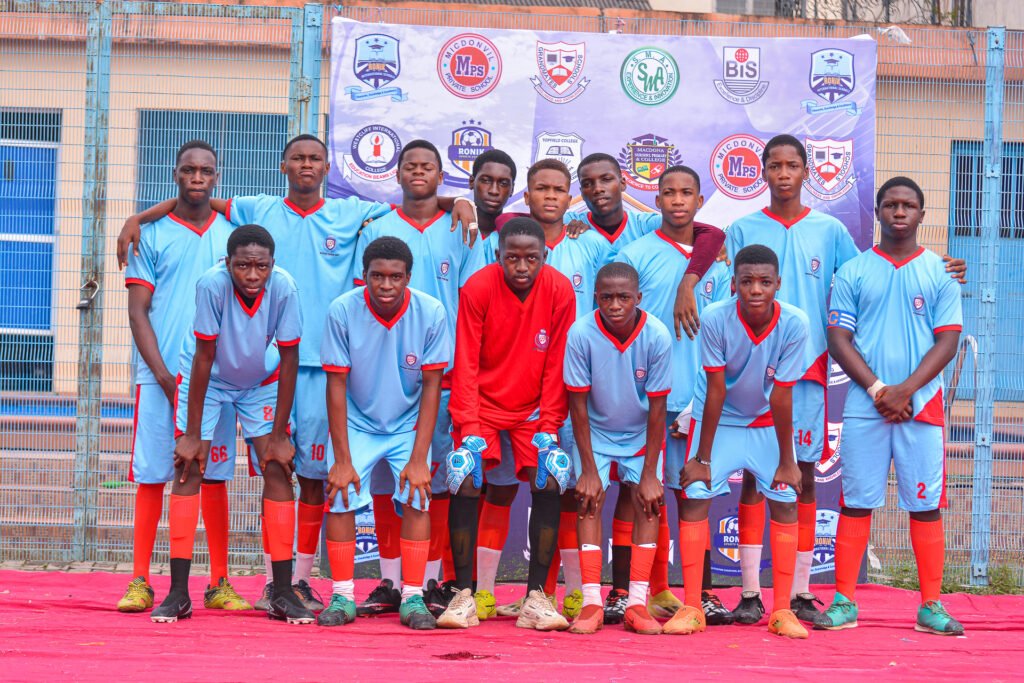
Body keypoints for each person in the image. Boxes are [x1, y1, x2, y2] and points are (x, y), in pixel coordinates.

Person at [116, 134, 477, 610]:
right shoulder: (257, 209)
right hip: (272, 370)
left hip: (330, 368)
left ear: (327, 167)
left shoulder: (351, 212)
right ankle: (282, 582)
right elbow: (195, 198)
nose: (307, 165)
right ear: (283, 164)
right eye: (298, 158)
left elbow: (415, 199)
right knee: (285, 469)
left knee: (315, 475)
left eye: (315, 159)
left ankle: (357, 584)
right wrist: (138, 218)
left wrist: (459, 200)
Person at [724, 134, 966, 625]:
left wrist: (943, 265)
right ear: (764, 171)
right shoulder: (743, 229)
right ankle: (752, 593)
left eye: (793, 165)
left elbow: (880, 297)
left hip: (811, 374)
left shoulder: (833, 232)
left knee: (805, 476)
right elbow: (727, 286)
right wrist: (879, 389)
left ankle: (803, 592)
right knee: (755, 476)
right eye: (776, 165)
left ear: (805, 171)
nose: (784, 173)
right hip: (757, 371)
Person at [817, 177, 964, 635]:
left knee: (925, 505)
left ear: (922, 214)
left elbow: (948, 341)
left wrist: (906, 391)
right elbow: (838, 339)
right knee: (856, 503)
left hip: (922, 407)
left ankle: (931, 605)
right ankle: (844, 601)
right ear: (878, 212)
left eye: (908, 205)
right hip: (867, 406)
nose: (899, 212)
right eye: (891, 205)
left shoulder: (941, 272)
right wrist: (881, 390)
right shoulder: (853, 272)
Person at [472, 159, 609, 622]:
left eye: (558, 189)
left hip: (569, 385)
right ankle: (486, 593)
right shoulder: (500, 241)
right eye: (540, 189)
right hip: (507, 388)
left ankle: (570, 594)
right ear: (526, 196)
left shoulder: (589, 242)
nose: (550, 196)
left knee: (563, 490)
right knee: (500, 489)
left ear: (570, 198)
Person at [351, 140, 483, 617]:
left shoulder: (461, 226)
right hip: (385, 375)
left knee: (436, 482)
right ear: (398, 173)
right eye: (411, 166)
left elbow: (474, 302)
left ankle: (428, 580)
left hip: (443, 376)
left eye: (428, 166)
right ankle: (390, 580)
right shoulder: (376, 226)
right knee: (386, 480)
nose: (419, 173)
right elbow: (361, 299)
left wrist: (461, 202)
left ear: (441, 174)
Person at [150, 225, 306, 624]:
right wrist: (192, 435)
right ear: (227, 262)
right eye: (242, 266)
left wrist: (279, 435)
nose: (252, 275)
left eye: (261, 266)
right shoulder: (211, 285)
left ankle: (282, 592)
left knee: (277, 466)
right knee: (189, 467)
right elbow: (204, 356)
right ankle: (179, 593)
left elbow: (290, 358)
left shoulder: (285, 287)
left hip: (260, 381)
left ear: (272, 264)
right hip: (210, 378)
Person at [119, 140, 249, 614]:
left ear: (217, 177)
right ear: (175, 173)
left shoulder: (234, 232)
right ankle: (139, 580)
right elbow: (138, 312)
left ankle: (219, 582)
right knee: (153, 474)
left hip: (217, 382)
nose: (197, 177)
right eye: (189, 170)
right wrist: (163, 375)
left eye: (206, 171)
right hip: (161, 378)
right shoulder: (150, 235)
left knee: (213, 476)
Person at [438, 217, 576, 631]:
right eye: (512, 258)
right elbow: (465, 361)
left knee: (549, 480)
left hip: (533, 409)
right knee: (465, 478)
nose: (521, 266)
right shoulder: (479, 287)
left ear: (544, 256)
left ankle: (536, 598)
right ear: (498, 256)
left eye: (531, 258)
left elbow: (557, 363)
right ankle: (463, 596)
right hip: (482, 404)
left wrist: (549, 424)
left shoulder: (559, 289)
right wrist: (468, 425)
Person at [672, 244, 809, 639]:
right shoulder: (717, 317)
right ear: (733, 284)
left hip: (767, 421)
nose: (756, 289)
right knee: (696, 495)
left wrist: (788, 461)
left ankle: (782, 610)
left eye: (765, 282)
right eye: (747, 281)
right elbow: (715, 389)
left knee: (785, 500)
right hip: (722, 420)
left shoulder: (795, 323)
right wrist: (702, 458)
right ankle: (692, 607)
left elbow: (782, 395)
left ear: (778, 284)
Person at [618, 166, 734, 626]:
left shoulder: (718, 261)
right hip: (648, 398)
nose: (678, 200)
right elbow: (621, 327)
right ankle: (631, 592)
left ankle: (700, 594)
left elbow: (724, 334)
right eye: (669, 193)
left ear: (700, 201)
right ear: (657, 200)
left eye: (687, 193)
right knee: (639, 493)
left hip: (697, 399)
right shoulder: (635, 254)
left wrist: (702, 401)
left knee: (694, 494)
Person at [318, 236, 449, 630]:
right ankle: (343, 595)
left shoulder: (431, 311)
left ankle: (413, 597)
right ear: (364, 275)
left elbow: (432, 387)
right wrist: (342, 460)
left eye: (395, 277)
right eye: (377, 276)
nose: (386, 285)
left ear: (408, 277)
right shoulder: (342, 310)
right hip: (356, 420)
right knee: (340, 492)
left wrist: (419, 458)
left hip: (407, 422)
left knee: (417, 495)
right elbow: (336, 384)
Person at [565, 262, 672, 635]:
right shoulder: (581, 333)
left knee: (648, 503)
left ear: (638, 298)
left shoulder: (657, 336)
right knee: (588, 501)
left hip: (640, 433)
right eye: (607, 297)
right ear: (595, 297)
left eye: (623, 297)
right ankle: (591, 602)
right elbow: (577, 405)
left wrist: (649, 474)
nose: (615, 305)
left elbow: (658, 408)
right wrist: (588, 471)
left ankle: (637, 603)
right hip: (594, 431)